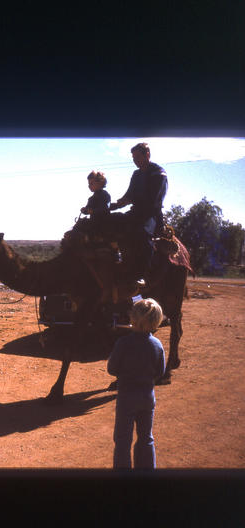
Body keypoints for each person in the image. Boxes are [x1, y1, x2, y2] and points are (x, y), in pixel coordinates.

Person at [107, 298, 165, 469]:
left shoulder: (123, 343)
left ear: (133, 318)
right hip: (147, 397)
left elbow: (112, 368)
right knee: (146, 438)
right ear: (156, 321)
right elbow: (160, 372)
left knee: (122, 440)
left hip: (127, 398)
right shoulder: (157, 344)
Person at [110, 142, 168, 275]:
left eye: (137, 157)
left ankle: (141, 274)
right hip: (136, 212)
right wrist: (113, 206)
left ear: (147, 154)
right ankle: (116, 256)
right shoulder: (136, 174)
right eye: (133, 158)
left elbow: (153, 200)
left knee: (141, 232)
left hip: (151, 214)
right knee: (111, 221)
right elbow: (128, 195)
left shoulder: (159, 173)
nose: (135, 161)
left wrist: (130, 200)